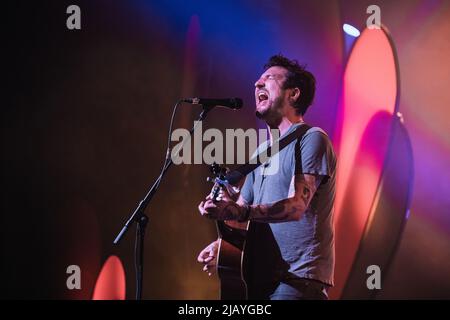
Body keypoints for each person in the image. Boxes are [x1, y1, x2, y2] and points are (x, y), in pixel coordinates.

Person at [197, 54, 336, 300]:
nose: (257, 85)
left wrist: (239, 212)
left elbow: (296, 207)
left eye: (268, 79)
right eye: (258, 81)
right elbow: (242, 216)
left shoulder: (311, 138)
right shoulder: (262, 151)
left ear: (293, 94)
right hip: (258, 278)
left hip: (297, 279)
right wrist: (223, 247)